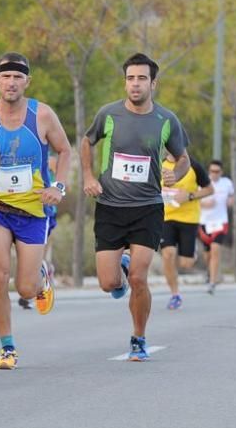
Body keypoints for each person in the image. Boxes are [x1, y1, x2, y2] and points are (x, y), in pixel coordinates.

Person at [81, 52, 190, 361]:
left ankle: (138, 338)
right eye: (131, 78)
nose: (135, 84)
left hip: (147, 207)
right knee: (108, 283)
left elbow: (183, 158)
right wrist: (89, 176)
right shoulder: (109, 114)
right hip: (110, 206)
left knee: (141, 279)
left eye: (142, 78)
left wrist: (176, 173)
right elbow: (87, 141)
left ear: (153, 83)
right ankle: (122, 270)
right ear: (125, 82)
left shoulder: (166, 120)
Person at [0, 52, 71, 369]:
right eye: (6, 76)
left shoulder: (42, 115)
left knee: (26, 288)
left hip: (33, 208)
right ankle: (7, 348)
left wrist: (58, 186)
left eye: (18, 77)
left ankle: (41, 278)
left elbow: (65, 149)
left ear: (27, 81)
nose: (12, 82)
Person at [160, 153, 213, 309]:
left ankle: (191, 252)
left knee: (186, 263)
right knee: (168, 254)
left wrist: (189, 196)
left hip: (189, 219)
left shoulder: (193, 166)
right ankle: (175, 294)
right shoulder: (159, 164)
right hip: (165, 217)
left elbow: (210, 190)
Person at [198, 160, 234, 294]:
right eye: (212, 171)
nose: (214, 174)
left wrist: (231, 201)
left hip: (221, 222)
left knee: (216, 249)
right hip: (205, 222)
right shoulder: (202, 182)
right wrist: (204, 204)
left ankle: (212, 282)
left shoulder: (227, 183)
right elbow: (194, 200)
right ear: (209, 171)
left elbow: (231, 196)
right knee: (207, 254)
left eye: (217, 171)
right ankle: (210, 272)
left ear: (221, 172)